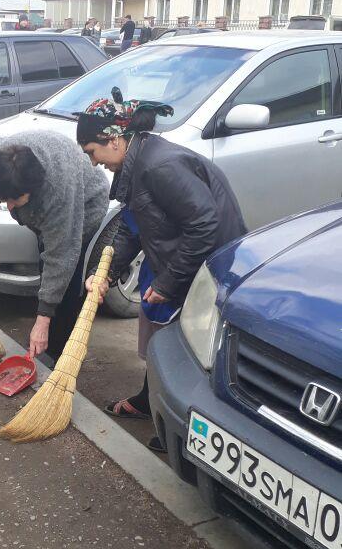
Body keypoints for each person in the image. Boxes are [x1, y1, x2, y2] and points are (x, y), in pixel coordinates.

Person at [77, 89, 246, 449]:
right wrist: (104, 271)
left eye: (92, 152)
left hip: (210, 266)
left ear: (113, 139)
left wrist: (170, 282)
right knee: (157, 330)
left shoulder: (160, 166)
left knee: (192, 347)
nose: (93, 163)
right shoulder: (137, 163)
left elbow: (206, 227)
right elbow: (131, 225)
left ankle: (185, 432)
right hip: (181, 256)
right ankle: (149, 399)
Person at [0, 130, 109, 360]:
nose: (12, 207)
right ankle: (44, 329)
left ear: (34, 188)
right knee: (46, 264)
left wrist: (43, 318)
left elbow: (61, 256)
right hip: (47, 206)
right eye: (7, 200)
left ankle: (56, 350)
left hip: (86, 205)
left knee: (64, 276)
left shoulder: (58, 190)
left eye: (15, 200)